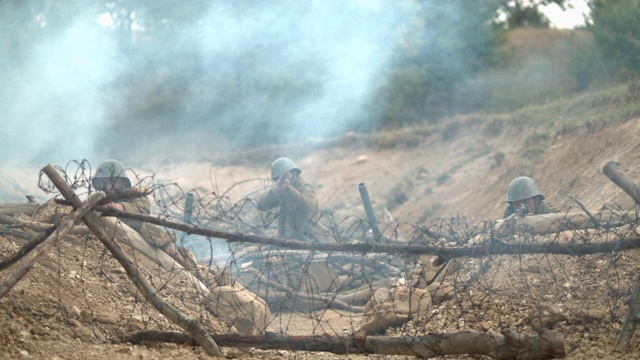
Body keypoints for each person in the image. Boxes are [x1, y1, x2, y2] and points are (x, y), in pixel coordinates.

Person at [92, 159, 175, 247]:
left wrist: (117, 207)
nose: (108, 186)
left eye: (113, 181)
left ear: (123, 183)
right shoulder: (97, 200)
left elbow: (141, 209)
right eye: (104, 182)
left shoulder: (137, 196)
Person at [257, 157, 329, 242]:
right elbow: (261, 206)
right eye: (276, 179)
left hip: (309, 240)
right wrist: (272, 194)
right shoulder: (282, 190)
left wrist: (288, 189)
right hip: (287, 240)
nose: (279, 180)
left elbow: (307, 207)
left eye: (282, 176)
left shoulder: (306, 187)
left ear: (294, 172)